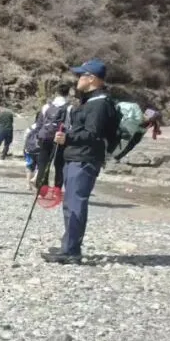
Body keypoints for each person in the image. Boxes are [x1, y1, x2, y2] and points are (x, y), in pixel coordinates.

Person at [45, 58, 119, 264]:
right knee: (70, 203)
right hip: (77, 157)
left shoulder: (100, 104)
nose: (77, 79)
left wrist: (67, 137)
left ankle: (72, 251)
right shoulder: (91, 102)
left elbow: (93, 135)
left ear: (92, 78)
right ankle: (68, 246)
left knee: (75, 203)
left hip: (84, 159)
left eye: (81, 75)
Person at [35, 83, 72, 190]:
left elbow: (39, 124)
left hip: (45, 137)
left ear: (56, 93)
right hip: (60, 138)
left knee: (43, 163)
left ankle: (42, 189)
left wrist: (38, 136)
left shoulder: (46, 106)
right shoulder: (69, 108)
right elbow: (70, 126)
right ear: (68, 93)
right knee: (59, 165)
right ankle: (57, 189)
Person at [23, 122, 41, 190]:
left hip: (29, 150)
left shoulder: (30, 127)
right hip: (40, 151)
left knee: (29, 166)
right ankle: (35, 178)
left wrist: (26, 148)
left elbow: (25, 138)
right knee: (40, 167)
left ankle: (28, 184)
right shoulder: (44, 127)